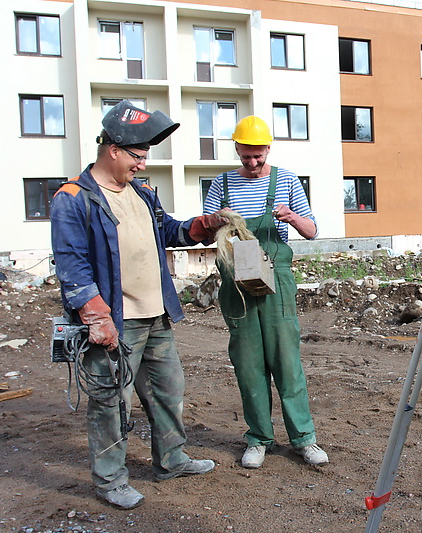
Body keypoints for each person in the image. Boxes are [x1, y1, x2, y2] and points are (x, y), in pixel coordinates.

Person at [50, 100, 227, 509]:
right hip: (116, 321)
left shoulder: (142, 194)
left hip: (155, 315)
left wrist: (205, 225)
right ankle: (111, 481)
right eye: (138, 156)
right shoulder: (74, 198)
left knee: (168, 391)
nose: (143, 165)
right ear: (113, 149)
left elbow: (169, 229)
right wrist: (97, 318)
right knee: (111, 400)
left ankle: (171, 459)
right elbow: (72, 266)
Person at [202, 115, 329, 468]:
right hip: (236, 285)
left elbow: (312, 231)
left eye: (259, 156)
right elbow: (203, 229)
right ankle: (259, 439)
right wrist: (217, 220)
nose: (253, 163)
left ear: (268, 149)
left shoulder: (285, 180)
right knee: (248, 363)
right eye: (246, 156)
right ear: (237, 149)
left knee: (287, 362)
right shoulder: (221, 184)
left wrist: (291, 217)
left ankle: (304, 439)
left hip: (278, 283)